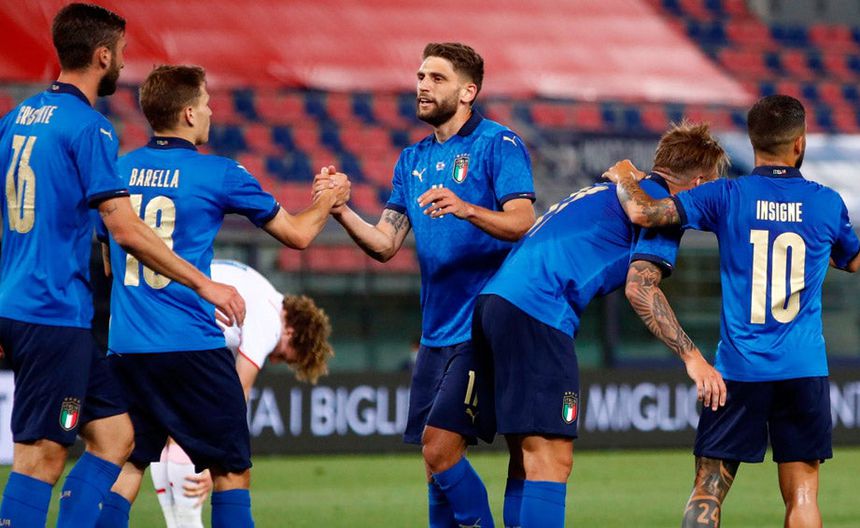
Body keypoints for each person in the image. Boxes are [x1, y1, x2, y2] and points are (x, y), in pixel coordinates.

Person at [0, 5, 245, 528]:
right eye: (122, 53)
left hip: (27, 306)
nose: (125, 63)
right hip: (51, 311)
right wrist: (204, 284)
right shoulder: (91, 128)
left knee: (116, 436)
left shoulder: (16, 119)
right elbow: (127, 230)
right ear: (102, 56)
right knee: (41, 455)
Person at [92, 65, 348, 528]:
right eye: (206, 104)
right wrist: (328, 201)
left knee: (128, 463)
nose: (211, 112)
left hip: (126, 345)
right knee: (231, 472)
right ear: (189, 114)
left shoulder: (116, 171)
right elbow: (298, 235)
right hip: (189, 344)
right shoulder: (220, 173)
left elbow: (108, 262)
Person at [602, 95, 860, 528]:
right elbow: (851, 260)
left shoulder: (726, 194)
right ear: (800, 143)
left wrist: (626, 175)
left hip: (738, 371)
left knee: (707, 491)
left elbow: (644, 212)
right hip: (803, 368)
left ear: (752, 141)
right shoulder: (826, 203)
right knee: (803, 495)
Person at [317, 42, 536, 527]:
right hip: (436, 332)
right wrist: (341, 211)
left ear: (468, 92)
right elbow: (384, 243)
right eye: (420, 76)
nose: (422, 85)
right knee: (434, 466)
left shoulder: (497, 144)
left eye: (436, 78)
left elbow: (523, 220)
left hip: (483, 327)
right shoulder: (411, 160)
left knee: (439, 449)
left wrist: (467, 208)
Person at [473, 122, 729, 528]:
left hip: (497, 303)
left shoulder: (609, 191)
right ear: (699, 183)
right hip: (537, 310)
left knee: (527, 457)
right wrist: (693, 358)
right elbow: (640, 289)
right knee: (552, 458)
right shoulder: (662, 208)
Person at [149, 259, 334, 528]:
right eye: (285, 355)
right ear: (291, 331)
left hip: (152, 312)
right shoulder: (271, 321)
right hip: (187, 329)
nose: (275, 361)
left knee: (164, 437)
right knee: (193, 437)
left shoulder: (262, 287)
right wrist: (213, 458)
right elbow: (238, 391)